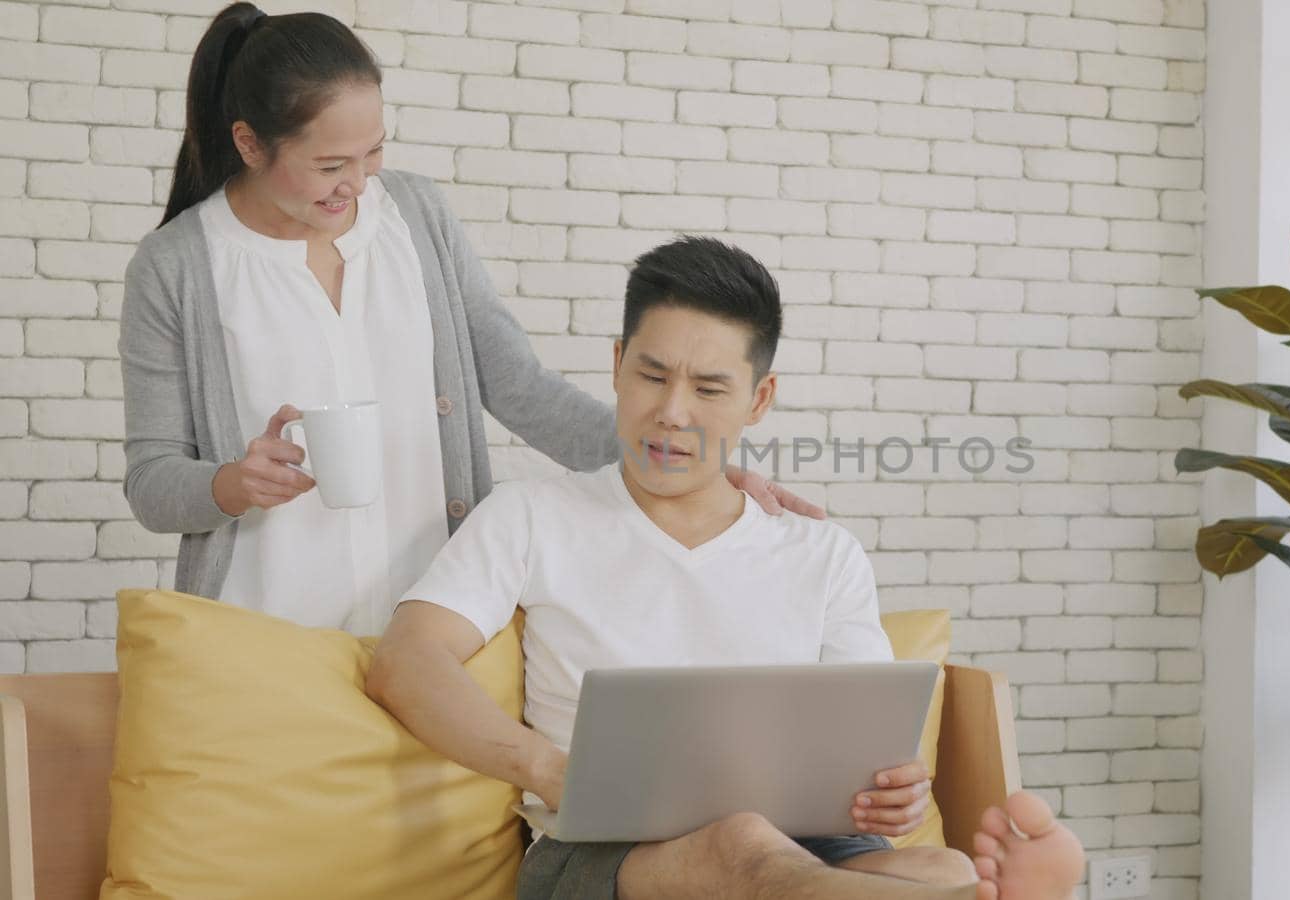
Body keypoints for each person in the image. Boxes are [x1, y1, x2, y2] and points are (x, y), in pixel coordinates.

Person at [365, 237, 1085, 900]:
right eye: (651, 376)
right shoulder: (531, 517)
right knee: (744, 844)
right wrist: (553, 771)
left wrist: (891, 792)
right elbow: (406, 661)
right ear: (616, 366)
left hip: (816, 843)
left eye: (709, 389)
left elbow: (867, 752)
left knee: (938, 863)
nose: (671, 413)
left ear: (758, 400)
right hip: (606, 853)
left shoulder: (820, 552)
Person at [117, 4, 815, 634]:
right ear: (249, 143)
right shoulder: (177, 265)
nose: (359, 183)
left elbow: (517, 384)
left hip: (433, 625)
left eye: (375, 152)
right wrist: (231, 484)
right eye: (331, 163)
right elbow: (152, 480)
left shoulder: (415, 217)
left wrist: (692, 469)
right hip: (260, 634)